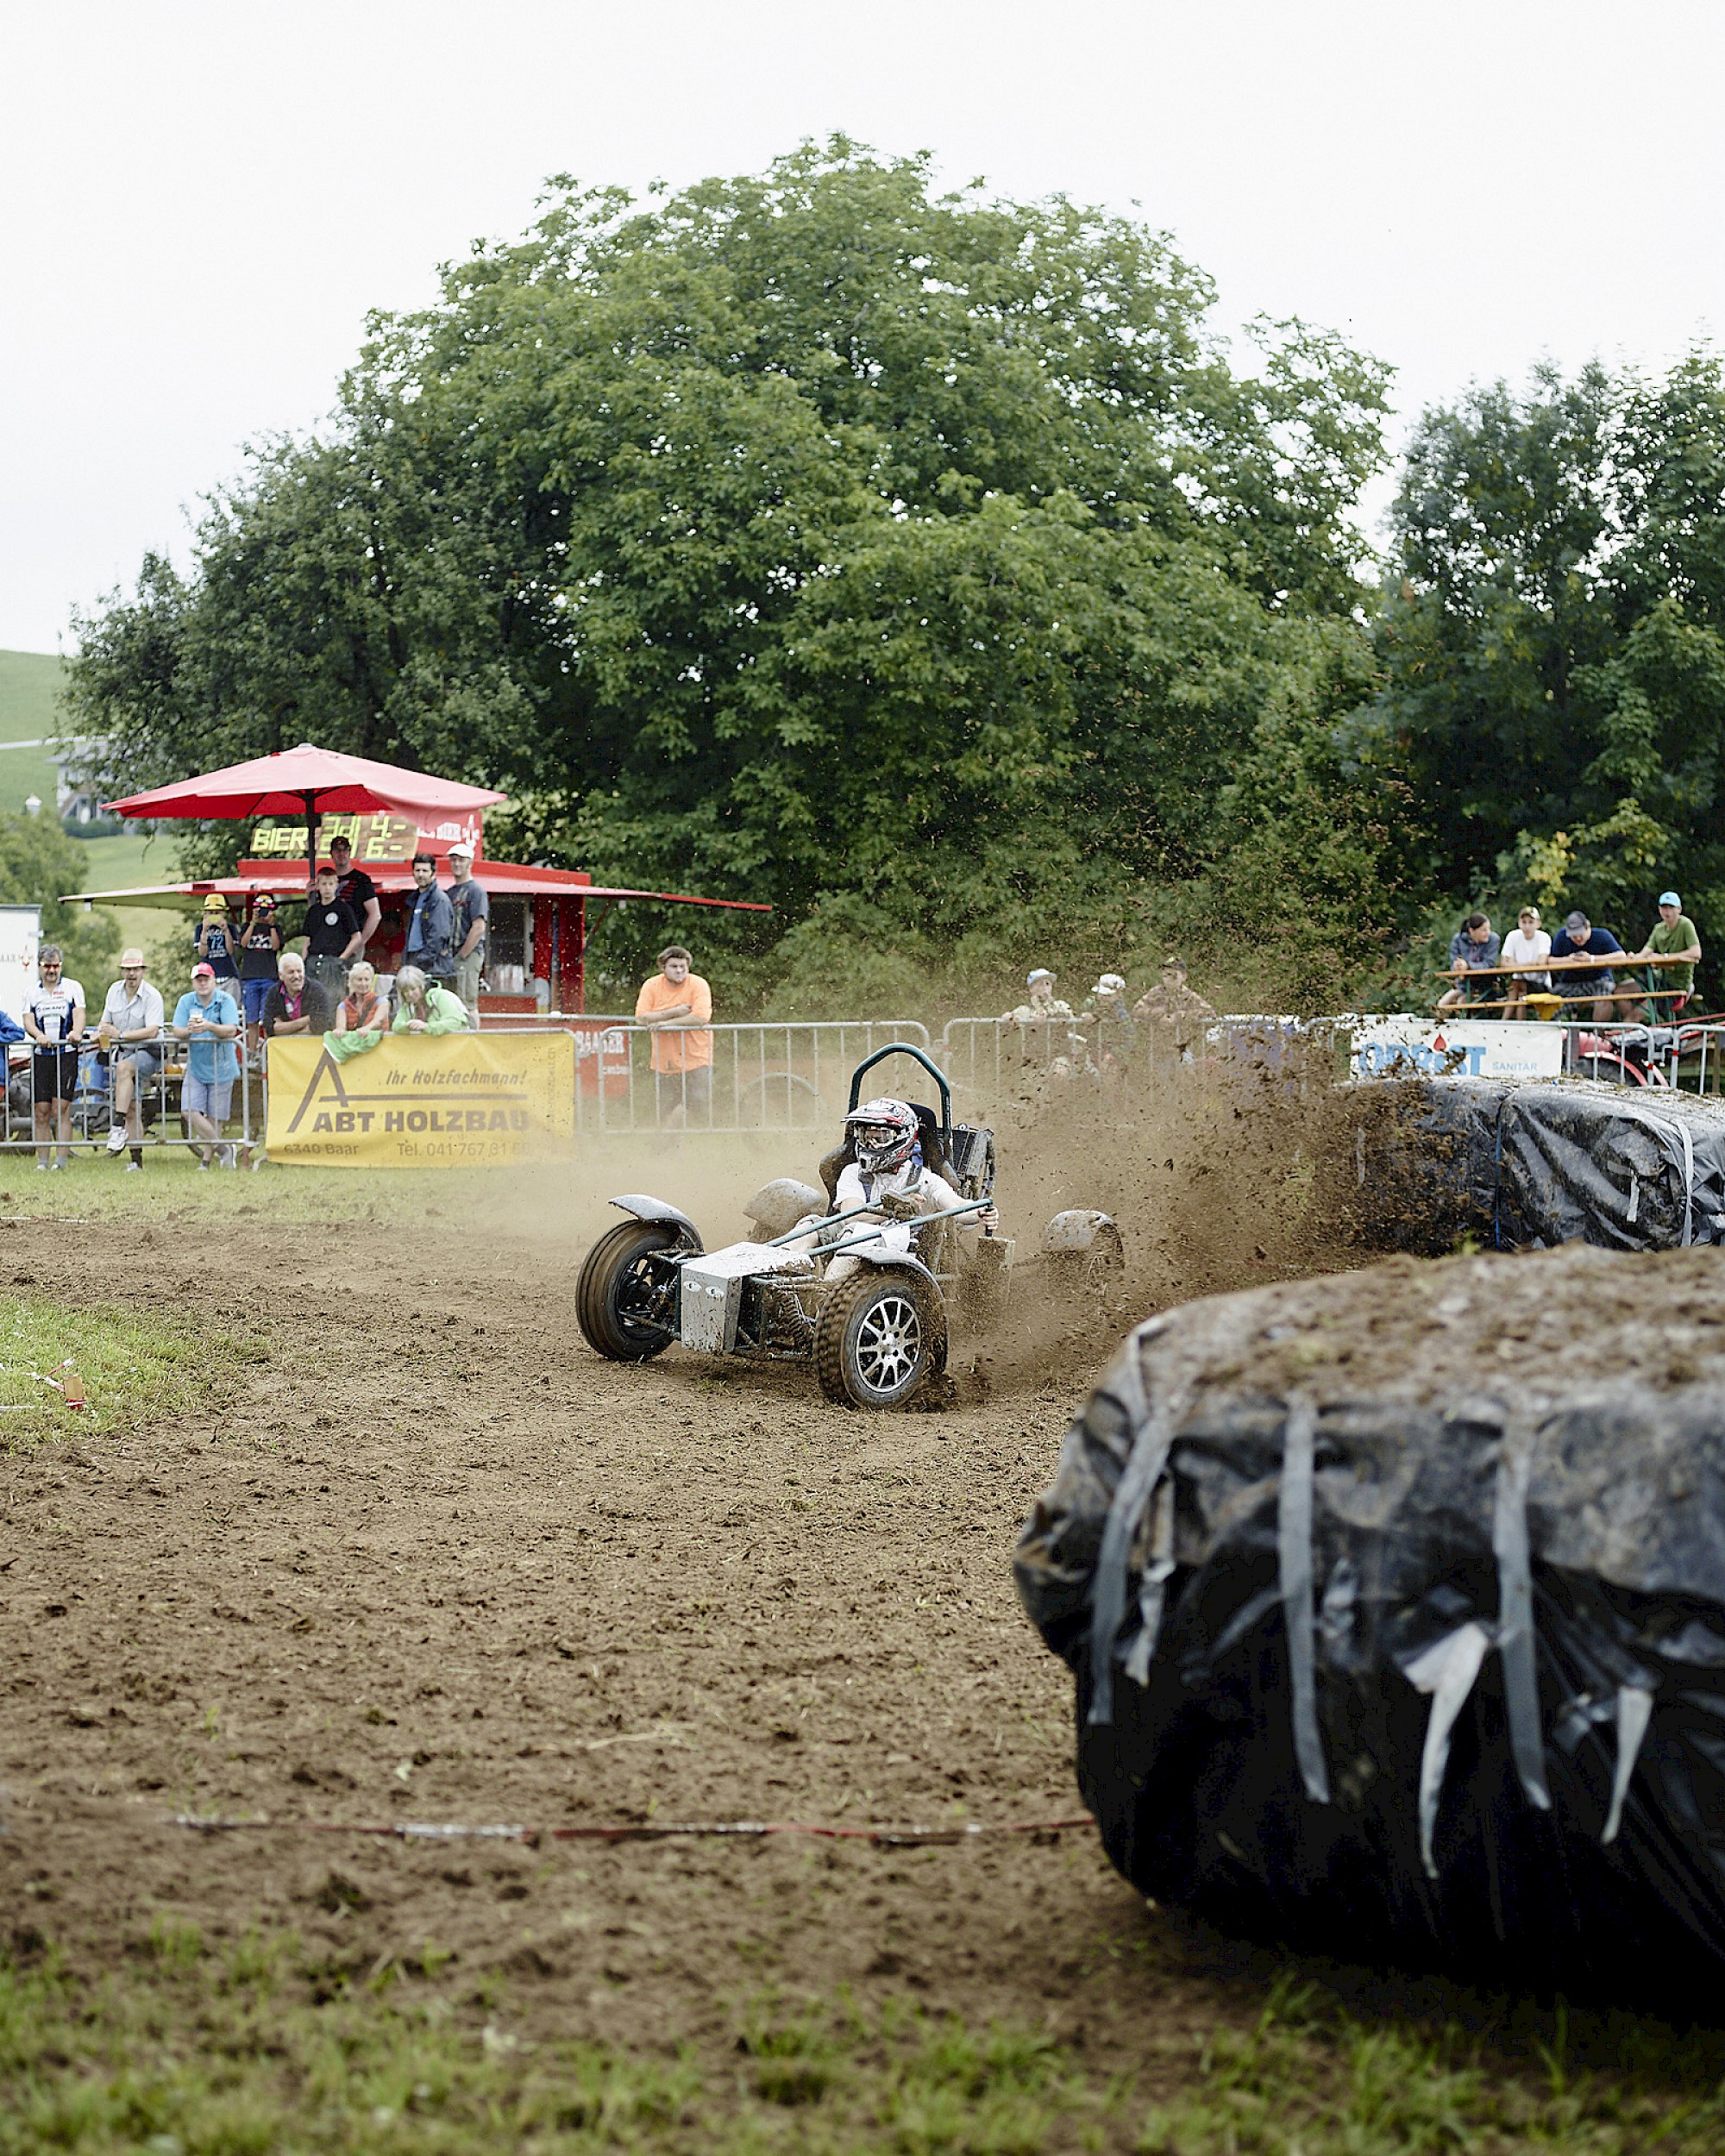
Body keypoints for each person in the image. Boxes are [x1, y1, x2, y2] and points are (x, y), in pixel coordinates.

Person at [790, 1098, 997, 1284]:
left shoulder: (923, 1178)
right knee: (809, 1226)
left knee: (856, 1236)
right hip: (852, 1232)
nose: (870, 1144)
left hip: (899, 1254)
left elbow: (956, 1206)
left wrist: (979, 1213)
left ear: (903, 1138)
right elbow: (851, 1214)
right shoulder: (853, 1171)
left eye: (880, 1138)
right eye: (865, 1136)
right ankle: (775, 1286)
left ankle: (825, 1301)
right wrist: (898, 1204)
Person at [97, 948, 165, 1171]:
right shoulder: (113, 991)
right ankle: (136, 1161)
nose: (131, 974)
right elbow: (105, 1024)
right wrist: (102, 1036)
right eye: (127, 970)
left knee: (124, 1068)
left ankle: (117, 1126)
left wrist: (121, 1035)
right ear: (122, 972)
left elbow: (152, 1031)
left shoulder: (153, 996)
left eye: (135, 969)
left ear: (143, 971)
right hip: (125, 1051)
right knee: (132, 1107)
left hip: (150, 1051)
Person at [172, 961, 242, 1169]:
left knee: (215, 1119)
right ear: (193, 982)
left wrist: (209, 1026)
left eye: (206, 979)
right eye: (198, 979)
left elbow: (231, 1030)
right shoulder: (186, 1001)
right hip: (197, 1066)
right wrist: (190, 1031)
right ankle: (224, 1149)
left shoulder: (225, 1000)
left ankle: (206, 1162)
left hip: (223, 1065)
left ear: (214, 981)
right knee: (188, 1111)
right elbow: (177, 1031)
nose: (202, 983)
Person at [634, 945, 713, 1126]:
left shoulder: (698, 984)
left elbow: (700, 1017)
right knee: (665, 1109)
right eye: (674, 967)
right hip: (665, 1060)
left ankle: (688, 1139)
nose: (679, 971)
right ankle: (667, 1145)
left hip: (697, 1057)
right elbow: (641, 1017)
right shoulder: (652, 985)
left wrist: (665, 1024)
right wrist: (675, 1011)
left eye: (683, 967)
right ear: (663, 968)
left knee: (699, 1103)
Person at [23, 945, 85, 1172]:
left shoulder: (72, 988)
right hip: (42, 1056)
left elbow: (79, 1014)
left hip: (66, 1054)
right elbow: (28, 1020)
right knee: (41, 1111)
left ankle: (61, 1161)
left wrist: (76, 1032)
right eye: (47, 966)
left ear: (61, 966)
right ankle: (42, 1162)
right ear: (40, 967)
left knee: (61, 1109)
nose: (52, 970)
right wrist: (38, 1035)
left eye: (56, 966)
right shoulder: (32, 992)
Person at [1625, 891, 1703, 1021]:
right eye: (1664, 907)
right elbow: (1645, 952)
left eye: (1671, 908)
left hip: (1677, 984)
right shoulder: (1658, 928)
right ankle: (1638, 1034)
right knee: (1620, 991)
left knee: (1636, 1014)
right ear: (1659, 909)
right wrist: (1634, 957)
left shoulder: (1685, 924)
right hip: (1658, 979)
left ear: (1679, 909)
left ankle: (1631, 1033)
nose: (1667, 912)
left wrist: (1664, 957)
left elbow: (1696, 953)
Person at [1132, 956, 1217, 1061]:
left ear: (1184, 976)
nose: (1168, 979)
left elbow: (1210, 1013)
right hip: (1159, 1048)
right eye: (1165, 975)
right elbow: (1136, 1010)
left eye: (1173, 975)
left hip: (1183, 1046)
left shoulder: (1189, 996)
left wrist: (1181, 1016)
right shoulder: (1155, 994)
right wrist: (1158, 1015)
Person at [1548, 910, 1626, 1025]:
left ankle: (1598, 1036)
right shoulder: (1561, 936)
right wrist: (1568, 960)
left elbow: (1621, 956)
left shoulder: (1602, 935)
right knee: (1547, 1003)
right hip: (1570, 983)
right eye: (1573, 936)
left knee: (1605, 997)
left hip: (1599, 981)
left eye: (1580, 934)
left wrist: (1592, 959)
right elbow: (1550, 961)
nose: (1578, 939)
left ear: (1587, 926)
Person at [300, 866, 363, 1002]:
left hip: (333, 960)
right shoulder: (313, 910)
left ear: (336, 885)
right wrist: (303, 962)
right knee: (310, 1001)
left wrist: (341, 959)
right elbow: (307, 939)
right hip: (313, 960)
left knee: (332, 1001)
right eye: (324, 884)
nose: (327, 888)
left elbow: (356, 937)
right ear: (318, 886)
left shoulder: (343, 908)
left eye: (330, 884)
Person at [446, 839, 488, 1027]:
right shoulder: (450, 892)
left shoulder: (476, 891)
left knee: (468, 1001)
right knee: (453, 1000)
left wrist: (463, 954)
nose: (456, 864)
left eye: (461, 860)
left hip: (469, 954)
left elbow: (478, 927)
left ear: (470, 863)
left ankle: (473, 1039)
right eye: (453, 860)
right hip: (453, 954)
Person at [237, 894, 282, 1061]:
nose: (264, 913)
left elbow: (276, 946)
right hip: (250, 977)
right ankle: (251, 1053)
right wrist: (253, 922)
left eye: (267, 910)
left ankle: (268, 1052)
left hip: (269, 976)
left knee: (268, 1018)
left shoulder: (276, 928)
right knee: (252, 1018)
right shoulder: (248, 926)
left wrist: (271, 925)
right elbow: (243, 943)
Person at [401, 853, 455, 986]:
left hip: (432, 965)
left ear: (433, 873)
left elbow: (439, 936)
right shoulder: (415, 899)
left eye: (425, 871)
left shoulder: (438, 900)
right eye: (417, 870)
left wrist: (422, 960)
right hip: (414, 958)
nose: (420, 874)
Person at [260, 950, 336, 1042]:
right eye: (291, 972)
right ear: (281, 975)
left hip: (312, 1047)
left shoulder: (316, 989)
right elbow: (269, 1028)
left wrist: (284, 1029)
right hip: (284, 1050)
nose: (296, 976)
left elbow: (321, 1025)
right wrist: (307, 1020)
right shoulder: (273, 992)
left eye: (299, 971)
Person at [326, 835, 381, 950]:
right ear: (331, 853)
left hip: (352, 940)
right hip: (330, 942)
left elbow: (375, 914)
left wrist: (361, 941)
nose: (341, 854)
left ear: (349, 852)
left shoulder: (362, 880)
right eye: (337, 850)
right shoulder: (326, 880)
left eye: (345, 850)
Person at [1436, 912, 1501, 1011]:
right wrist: (1457, 966)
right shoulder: (1458, 939)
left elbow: (1489, 964)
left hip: (1485, 985)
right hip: (1463, 985)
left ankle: (1464, 1024)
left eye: (1488, 929)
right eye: (1484, 930)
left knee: (1462, 1002)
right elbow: (1454, 963)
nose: (1488, 932)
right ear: (1472, 931)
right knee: (1442, 1004)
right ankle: (1440, 1025)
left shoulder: (1493, 939)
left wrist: (1468, 966)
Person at [1499, 906, 1552, 1019]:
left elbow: (1541, 963)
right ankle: (1515, 1023)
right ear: (1519, 923)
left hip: (1540, 983)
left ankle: (1504, 1021)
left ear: (1538, 924)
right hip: (1519, 983)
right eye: (1524, 922)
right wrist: (1530, 964)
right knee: (1518, 988)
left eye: (1531, 922)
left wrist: (1515, 964)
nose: (1527, 926)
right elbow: (1503, 963)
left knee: (1517, 987)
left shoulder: (1544, 937)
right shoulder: (1513, 936)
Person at [327, 960, 388, 1061]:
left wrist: (368, 1028)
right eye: (359, 979)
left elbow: (378, 1021)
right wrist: (339, 1031)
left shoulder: (382, 1002)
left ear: (371, 981)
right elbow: (341, 1027)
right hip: (355, 1055)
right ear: (351, 982)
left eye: (367, 979)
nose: (363, 983)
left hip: (380, 1052)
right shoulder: (343, 1006)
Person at [1079, 973, 1138, 1074]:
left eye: (1108, 995)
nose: (1103, 998)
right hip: (1091, 1050)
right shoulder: (1091, 1002)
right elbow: (1080, 1011)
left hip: (1114, 1055)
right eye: (1101, 994)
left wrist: (1114, 1053)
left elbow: (1131, 1036)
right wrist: (1087, 1014)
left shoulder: (1121, 1012)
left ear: (1118, 995)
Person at [391, 963, 470, 1035]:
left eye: (413, 989)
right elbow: (395, 1026)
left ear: (422, 986)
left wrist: (426, 1027)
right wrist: (407, 1026)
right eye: (405, 991)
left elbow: (454, 1023)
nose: (410, 994)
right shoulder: (408, 1006)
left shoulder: (440, 996)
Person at [193, 894, 241, 988]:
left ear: (223, 913)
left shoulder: (230, 927)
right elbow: (202, 953)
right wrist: (204, 931)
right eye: (210, 912)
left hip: (228, 973)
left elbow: (231, 951)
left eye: (217, 912)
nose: (214, 915)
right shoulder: (200, 928)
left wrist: (226, 930)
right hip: (209, 976)